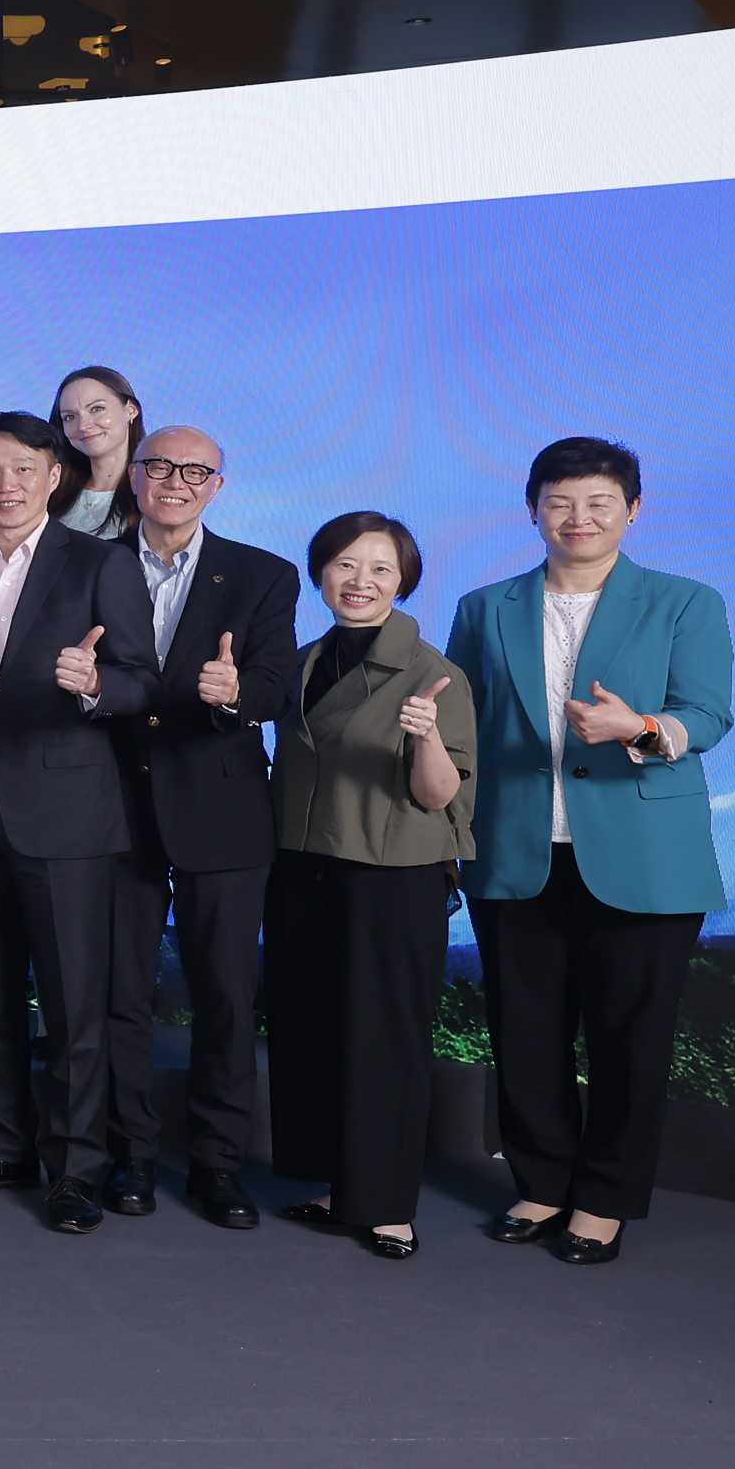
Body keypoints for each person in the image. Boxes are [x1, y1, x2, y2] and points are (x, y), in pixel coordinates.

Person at [441, 438, 731, 1265]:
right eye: (561, 502)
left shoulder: (685, 603)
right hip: (514, 847)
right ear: (532, 509)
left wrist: (639, 726)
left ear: (632, 511)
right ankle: (539, 1181)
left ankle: (603, 1199)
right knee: (525, 1030)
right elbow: (464, 730)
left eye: (599, 503)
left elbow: (707, 714)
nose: (579, 518)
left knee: (629, 1037)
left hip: (645, 855)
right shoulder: (484, 607)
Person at [0, 407, 156, 1232]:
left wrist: (93, 684)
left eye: (22, 468)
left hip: (69, 816)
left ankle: (76, 1166)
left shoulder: (101, 564)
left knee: (73, 1004)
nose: (4, 484)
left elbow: (141, 682)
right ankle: (1, 1144)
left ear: (56, 477)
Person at [102, 426, 301, 1225]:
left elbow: (277, 684)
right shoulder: (93, 563)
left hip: (222, 808)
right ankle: (130, 1159)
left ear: (217, 485)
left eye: (194, 471)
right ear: (135, 475)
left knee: (224, 993)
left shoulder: (261, 574)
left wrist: (235, 693)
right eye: (158, 467)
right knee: (119, 994)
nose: (174, 482)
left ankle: (219, 1164)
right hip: (113, 807)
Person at [267, 513, 474, 1258]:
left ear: (404, 580)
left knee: (383, 1037)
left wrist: (423, 736)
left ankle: (388, 1204)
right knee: (314, 1030)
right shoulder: (299, 661)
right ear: (320, 574)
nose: (361, 582)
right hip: (302, 865)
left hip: (391, 875)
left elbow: (438, 795)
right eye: (345, 566)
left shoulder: (432, 672)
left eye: (381, 569)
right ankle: (336, 1183)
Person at [0, 364, 144, 536]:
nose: (83, 425)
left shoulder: (155, 487)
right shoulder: (52, 486)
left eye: (97, 409)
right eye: (70, 417)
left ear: (131, 410)